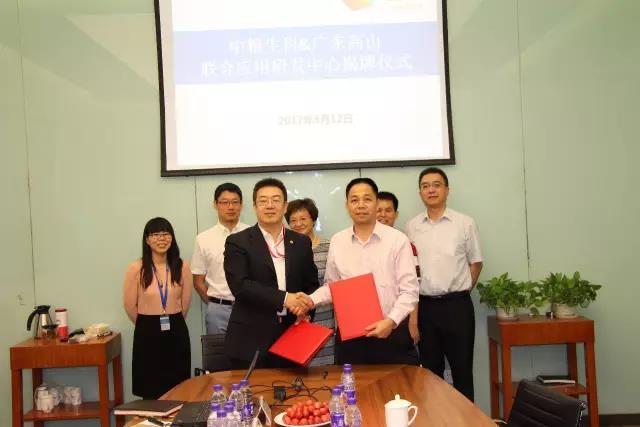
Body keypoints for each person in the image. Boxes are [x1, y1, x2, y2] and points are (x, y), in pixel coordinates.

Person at [298, 178, 419, 365]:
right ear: (347, 206)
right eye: (354, 200)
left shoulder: (397, 240)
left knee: (397, 384)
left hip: (391, 332)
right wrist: (309, 300)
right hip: (351, 337)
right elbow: (332, 286)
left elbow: (410, 291)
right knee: (351, 383)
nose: (360, 205)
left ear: (376, 203)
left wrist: (391, 321)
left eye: (367, 199)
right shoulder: (338, 241)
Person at [223, 178, 319, 369]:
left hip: (292, 333)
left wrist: (305, 309)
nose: (269, 206)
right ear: (254, 207)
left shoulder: (301, 242)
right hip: (250, 338)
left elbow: (311, 284)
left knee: (293, 387)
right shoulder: (238, 241)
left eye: (275, 200)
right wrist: (285, 298)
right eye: (263, 201)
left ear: (285, 206)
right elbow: (240, 286)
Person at [405, 167, 483, 401]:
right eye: (425, 186)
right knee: (430, 373)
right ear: (420, 193)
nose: (431, 190)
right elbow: (411, 272)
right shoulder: (412, 226)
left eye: (436, 185)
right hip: (426, 307)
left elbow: (476, 263)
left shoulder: (465, 223)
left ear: (447, 190)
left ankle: (466, 419)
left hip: (457, 306)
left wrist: (461, 289)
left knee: (462, 371)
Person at [123, 217, 192, 399]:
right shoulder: (136, 268)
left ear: (172, 238)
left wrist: (173, 318)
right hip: (147, 330)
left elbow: (185, 303)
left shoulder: (182, 266)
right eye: (155, 234)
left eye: (166, 234)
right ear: (147, 239)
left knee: (178, 386)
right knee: (150, 386)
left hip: (176, 328)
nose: (161, 238)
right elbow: (129, 305)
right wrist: (147, 322)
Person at [191, 183, 249, 334]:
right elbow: (198, 281)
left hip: (249, 308)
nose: (230, 207)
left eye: (235, 202)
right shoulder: (203, 238)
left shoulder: (253, 234)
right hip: (217, 311)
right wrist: (215, 303)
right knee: (217, 350)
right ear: (215, 204)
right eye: (224, 202)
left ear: (241, 205)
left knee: (250, 349)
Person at [285, 198, 334, 366]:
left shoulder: (330, 246)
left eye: (303, 219)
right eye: (293, 220)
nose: (298, 224)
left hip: (325, 313)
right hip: (297, 315)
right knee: (299, 364)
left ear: (313, 219)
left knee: (326, 366)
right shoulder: (284, 250)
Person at [376, 190, 421, 346]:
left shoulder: (405, 244)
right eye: (378, 210)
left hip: (400, 319)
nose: (383, 215)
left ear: (396, 214)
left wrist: (413, 322)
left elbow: (413, 287)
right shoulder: (363, 243)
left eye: (388, 210)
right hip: (371, 321)